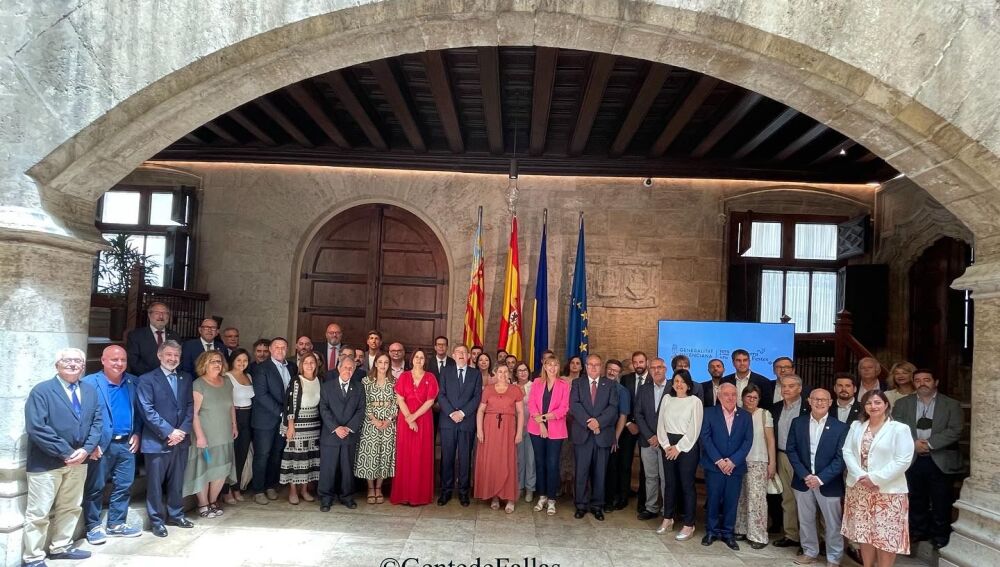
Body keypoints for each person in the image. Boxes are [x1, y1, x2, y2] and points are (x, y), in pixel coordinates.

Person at [22, 348, 103, 565]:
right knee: (39, 513)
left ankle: (61, 547)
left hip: (80, 461)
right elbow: (37, 427)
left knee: (71, 507)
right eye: (67, 360)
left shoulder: (89, 391)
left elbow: (97, 422)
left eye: (78, 361)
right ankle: (33, 557)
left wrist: (86, 449)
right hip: (46, 462)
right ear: (57, 365)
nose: (73, 364)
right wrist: (66, 452)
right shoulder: (42, 391)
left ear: (83, 366)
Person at [892, 369, 963, 549]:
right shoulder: (902, 404)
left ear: (935, 382)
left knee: (941, 500)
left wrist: (929, 444)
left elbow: (955, 429)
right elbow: (896, 427)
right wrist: (913, 444)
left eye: (926, 379)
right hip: (913, 458)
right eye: (918, 380)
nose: (922, 383)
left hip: (939, 458)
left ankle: (940, 535)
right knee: (916, 498)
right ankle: (918, 531)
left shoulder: (951, 404)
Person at [842, 391, 915, 567]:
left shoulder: (899, 429)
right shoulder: (856, 426)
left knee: (886, 536)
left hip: (887, 491)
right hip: (860, 488)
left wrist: (875, 478)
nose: (873, 406)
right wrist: (861, 476)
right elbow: (847, 451)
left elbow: (903, 460)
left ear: (886, 405)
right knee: (864, 533)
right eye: (868, 403)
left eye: (877, 402)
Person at [81, 345, 143, 545]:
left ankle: (116, 524)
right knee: (96, 487)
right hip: (101, 445)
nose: (119, 363)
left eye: (123, 360)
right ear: (103, 360)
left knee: (124, 485)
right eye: (114, 359)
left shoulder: (133, 381)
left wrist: (137, 432)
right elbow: (84, 417)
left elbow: (139, 411)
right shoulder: (89, 383)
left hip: (126, 444)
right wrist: (90, 444)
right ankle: (93, 526)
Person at [137, 340, 194, 538]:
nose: (172, 358)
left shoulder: (186, 377)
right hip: (157, 441)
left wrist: (182, 431)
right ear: (159, 355)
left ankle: (176, 515)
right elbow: (147, 410)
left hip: (181, 440)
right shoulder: (146, 379)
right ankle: (157, 521)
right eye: (169, 354)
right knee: (154, 484)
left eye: (176, 355)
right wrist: (170, 432)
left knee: (177, 481)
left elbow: (190, 406)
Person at [786, 387, 849, 566]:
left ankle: (834, 558)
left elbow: (841, 458)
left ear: (830, 403)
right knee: (805, 520)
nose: (819, 402)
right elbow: (791, 450)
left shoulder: (841, 427)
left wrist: (820, 478)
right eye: (815, 399)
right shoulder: (798, 423)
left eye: (823, 400)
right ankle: (809, 552)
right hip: (803, 481)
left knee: (832, 523)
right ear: (809, 401)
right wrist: (805, 475)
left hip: (829, 483)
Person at [182, 350, 236, 518]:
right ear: (204, 364)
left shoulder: (227, 382)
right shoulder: (198, 384)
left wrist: (234, 425)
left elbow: (231, 406)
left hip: (224, 433)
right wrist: (200, 436)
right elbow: (194, 413)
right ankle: (203, 504)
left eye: (219, 361)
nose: (217, 364)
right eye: (212, 361)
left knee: (221, 470)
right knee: (204, 470)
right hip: (205, 435)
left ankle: (213, 501)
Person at [700, 383, 753, 550]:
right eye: (726, 394)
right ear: (719, 396)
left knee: (731, 501)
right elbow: (705, 438)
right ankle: (711, 531)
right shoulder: (709, 413)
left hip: (735, 467)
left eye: (733, 394)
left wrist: (732, 461)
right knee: (713, 500)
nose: (730, 397)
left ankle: (728, 533)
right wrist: (719, 461)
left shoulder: (745, 416)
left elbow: (748, 441)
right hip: (714, 466)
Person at [569, 354, 619, 521]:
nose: (593, 367)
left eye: (597, 364)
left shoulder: (610, 384)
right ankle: (581, 505)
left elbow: (613, 408)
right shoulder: (577, 383)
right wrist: (589, 422)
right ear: (586, 366)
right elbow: (574, 405)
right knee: (581, 472)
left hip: (602, 435)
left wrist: (599, 422)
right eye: (590, 364)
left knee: (600, 473)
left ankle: (597, 506)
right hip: (582, 434)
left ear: (601, 366)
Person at [657, 368, 704, 540]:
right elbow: (660, 424)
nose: (679, 384)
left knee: (686, 485)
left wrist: (679, 447)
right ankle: (668, 518)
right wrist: (666, 445)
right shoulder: (667, 399)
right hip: (667, 445)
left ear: (689, 385)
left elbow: (694, 429)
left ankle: (689, 524)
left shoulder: (695, 401)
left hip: (687, 447)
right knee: (669, 484)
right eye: (676, 381)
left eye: (683, 382)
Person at [250, 337, 296, 505]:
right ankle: (258, 490)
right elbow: (261, 395)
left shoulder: (292, 367)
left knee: (277, 454)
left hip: (284, 420)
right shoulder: (261, 368)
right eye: (277, 347)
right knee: (262, 455)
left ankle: (270, 485)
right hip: (265, 420)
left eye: (283, 347)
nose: (280, 350)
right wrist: (283, 413)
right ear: (270, 349)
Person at [474, 365, 525, 513]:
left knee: (507, 461)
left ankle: (509, 498)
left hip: (508, 430)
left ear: (509, 373)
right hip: (490, 429)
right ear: (495, 373)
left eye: (505, 371)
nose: (503, 374)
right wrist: (480, 430)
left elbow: (520, 412)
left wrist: (519, 432)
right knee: (493, 461)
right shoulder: (488, 389)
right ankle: (495, 496)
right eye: (500, 371)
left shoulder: (515, 390)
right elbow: (480, 410)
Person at [392, 349, 439, 505]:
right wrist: (409, 418)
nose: (419, 360)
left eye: (422, 357)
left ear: (425, 361)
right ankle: (404, 495)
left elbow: (430, 401)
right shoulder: (404, 376)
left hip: (423, 420)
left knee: (421, 455)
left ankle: (419, 496)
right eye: (416, 357)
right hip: (405, 421)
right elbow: (400, 399)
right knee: (405, 455)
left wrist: (414, 417)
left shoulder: (430, 377)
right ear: (411, 359)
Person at [318, 356, 366, 510]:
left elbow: (361, 410)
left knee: (347, 468)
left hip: (349, 435)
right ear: (339, 368)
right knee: (328, 468)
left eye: (351, 368)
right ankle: (326, 498)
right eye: (345, 367)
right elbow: (323, 409)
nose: (348, 370)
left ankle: (347, 497)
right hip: (331, 435)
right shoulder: (327, 386)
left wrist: (349, 428)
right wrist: (336, 428)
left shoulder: (359, 387)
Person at [438, 345, 483, 506]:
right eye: (458, 352)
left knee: (465, 459)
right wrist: (452, 413)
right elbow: (441, 394)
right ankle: (446, 491)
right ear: (453, 355)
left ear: (469, 355)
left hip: (466, 422)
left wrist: (462, 413)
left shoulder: (475, 374)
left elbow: (477, 397)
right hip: (448, 422)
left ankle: (464, 492)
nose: (461, 354)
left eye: (464, 352)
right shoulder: (445, 371)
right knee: (447, 458)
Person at [772, 373, 811, 550]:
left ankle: (808, 539)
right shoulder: (776, 408)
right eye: (783, 386)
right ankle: (791, 535)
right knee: (787, 498)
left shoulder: (808, 407)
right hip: (781, 456)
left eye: (791, 386)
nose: (786, 389)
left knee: (805, 499)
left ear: (800, 388)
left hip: (802, 458)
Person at [734, 384, 775, 550]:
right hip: (738, 461)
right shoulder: (737, 413)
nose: (751, 400)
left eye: (755, 397)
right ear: (743, 397)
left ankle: (758, 535)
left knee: (756, 499)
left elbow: (770, 440)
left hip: (758, 460)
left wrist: (772, 463)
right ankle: (741, 529)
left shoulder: (764, 414)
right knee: (740, 497)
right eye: (748, 397)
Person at [527, 356, 570, 516]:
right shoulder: (537, 382)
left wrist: (544, 418)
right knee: (540, 463)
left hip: (556, 430)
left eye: (555, 365)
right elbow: (532, 404)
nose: (552, 368)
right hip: (536, 428)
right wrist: (540, 423)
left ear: (559, 367)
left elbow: (564, 408)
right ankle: (542, 497)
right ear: (544, 366)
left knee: (552, 464)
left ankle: (552, 499)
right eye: (549, 365)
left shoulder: (564, 385)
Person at [280, 351, 323, 504]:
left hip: (314, 424)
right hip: (298, 423)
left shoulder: (319, 380)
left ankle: (304, 490)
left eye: (312, 362)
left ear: (316, 364)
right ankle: (293, 491)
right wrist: (291, 426)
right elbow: (290, 404)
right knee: (296, 458)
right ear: (301, 365)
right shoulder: (297, 381)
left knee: (309, 457)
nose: (309, 365)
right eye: (306, 363)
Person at [355, 353, 397, 504]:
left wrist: (389, 420)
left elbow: (396, 402)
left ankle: (379, 488)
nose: (383, 365)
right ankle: (370, 488)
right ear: (375, 364)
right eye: (380, 362)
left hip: (388, 424)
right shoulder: (366, 381)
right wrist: (374, 420)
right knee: (370, 456)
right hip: (370, 423)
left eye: (386, 362)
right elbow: (363, 402)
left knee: (384, 455)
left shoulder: (394, 382)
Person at [634, 357, 668, 524]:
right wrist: (649, 435)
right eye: (653, 368)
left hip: (667, 443)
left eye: (659, 367)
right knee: (650, 476)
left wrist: (661, 437)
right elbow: (638, 414)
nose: (656, 370)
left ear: (665, 369)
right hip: (647, 441)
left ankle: (667, 510)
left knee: (666, 477)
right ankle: (651, 508)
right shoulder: (643, 389)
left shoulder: (673, 388)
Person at [620, 351, 649, 513]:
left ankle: (643, 502)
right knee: (625, 464)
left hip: (647, 429)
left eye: (641, 362)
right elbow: (622, 402)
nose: (638, 365)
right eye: (635, 362)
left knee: (646, 467)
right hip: (628, 427)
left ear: (647, 362)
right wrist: (628, 423)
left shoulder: (653, 379)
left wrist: (643, 426)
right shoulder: (626, 379)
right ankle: (623, 497)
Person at [225, 347, 254, 502]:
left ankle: (236, 488)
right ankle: (226, 491)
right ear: (233, 361)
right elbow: (228, 402)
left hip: (248, 417)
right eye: (239, 360)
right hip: (234, 416)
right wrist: (233, 424)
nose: (242, 363)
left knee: (242, 454)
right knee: (231, 455)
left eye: (245, 360)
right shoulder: (227, 376)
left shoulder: (248, 376)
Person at [604, 358, 631, 510]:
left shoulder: (622, 391)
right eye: (609, 369)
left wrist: (615, 437)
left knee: (611, 468)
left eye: (615, 370)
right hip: (596, 434)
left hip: (612, 435)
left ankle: (609, 501)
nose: (611, 372)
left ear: (619, 373)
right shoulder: (597, 386)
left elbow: (623, 416)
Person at [125, 301, 180, 376]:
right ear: (149, 315)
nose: (161, 316)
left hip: (169, 377)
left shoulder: (175, 336)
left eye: (165, 313)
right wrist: (153, 377)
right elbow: (133, 361)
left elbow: (179, 359)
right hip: (144, 379)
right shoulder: (136, 335)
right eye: (157, 313)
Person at [513, 362, 536, 503]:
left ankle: (530, 488)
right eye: (520, 370)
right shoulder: (511, 386)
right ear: (516, 373)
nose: (523, 372)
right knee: (518, 458)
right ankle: (519, 486)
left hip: (532, 427)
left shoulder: (535, 386)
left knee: (530, 459)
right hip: (516, 428)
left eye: (525, 370)